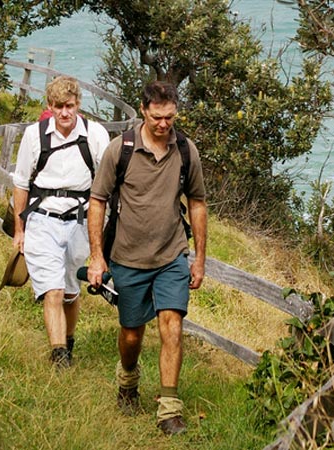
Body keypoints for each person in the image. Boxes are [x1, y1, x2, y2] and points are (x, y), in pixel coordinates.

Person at [86, 80, 207, 435]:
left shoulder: (186, 150)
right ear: (143, 110)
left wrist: (199, 258)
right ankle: (128, 379)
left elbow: (197, 202)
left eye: (170, 117)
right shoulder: (119, 150)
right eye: (157, 117)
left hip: (171, 255)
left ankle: (169, 410)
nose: (164, 124)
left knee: (172, 325)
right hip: (127, 258)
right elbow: (98, 201)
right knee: (132, 335)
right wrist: (97, 257)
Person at [12, 75, 110, 368]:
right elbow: (20, 183)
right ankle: (59, 357)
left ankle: (68, 342)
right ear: (49, 106)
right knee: (51, 290)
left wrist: (102, 240)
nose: (64, 113)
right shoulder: (34, 135)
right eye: (58, 107)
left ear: (78, 104)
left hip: (81, 221)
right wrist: (20, 230)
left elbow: (106, 186)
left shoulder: (95, 135)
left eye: (69, 106)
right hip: (42, 219)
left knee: (69, 291)